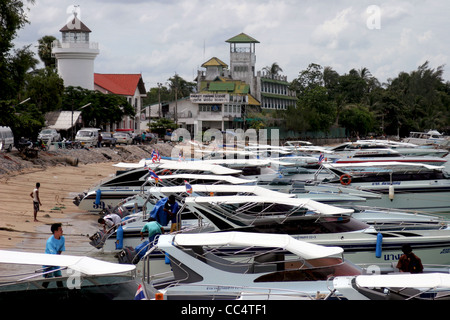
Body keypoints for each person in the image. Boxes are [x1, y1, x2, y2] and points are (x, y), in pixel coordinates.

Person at [43, 223, 65, 288]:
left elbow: (61, 249)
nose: (62, 231)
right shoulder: (50, 242)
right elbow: (53, 255)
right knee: (48, 279)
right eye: (60, 230)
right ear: (55, 232)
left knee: (59, 278)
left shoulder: (62, 238)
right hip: (48, 262)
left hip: (56, 261)